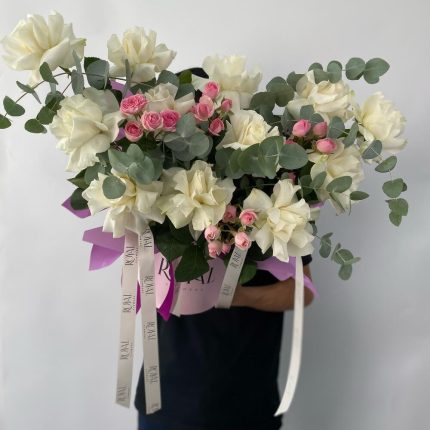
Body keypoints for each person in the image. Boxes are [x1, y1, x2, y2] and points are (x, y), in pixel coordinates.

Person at [135, 255, 314, 430]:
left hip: (246, 396)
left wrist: (238, 295)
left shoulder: (287, 232)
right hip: (165, 393)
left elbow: (303, 290)